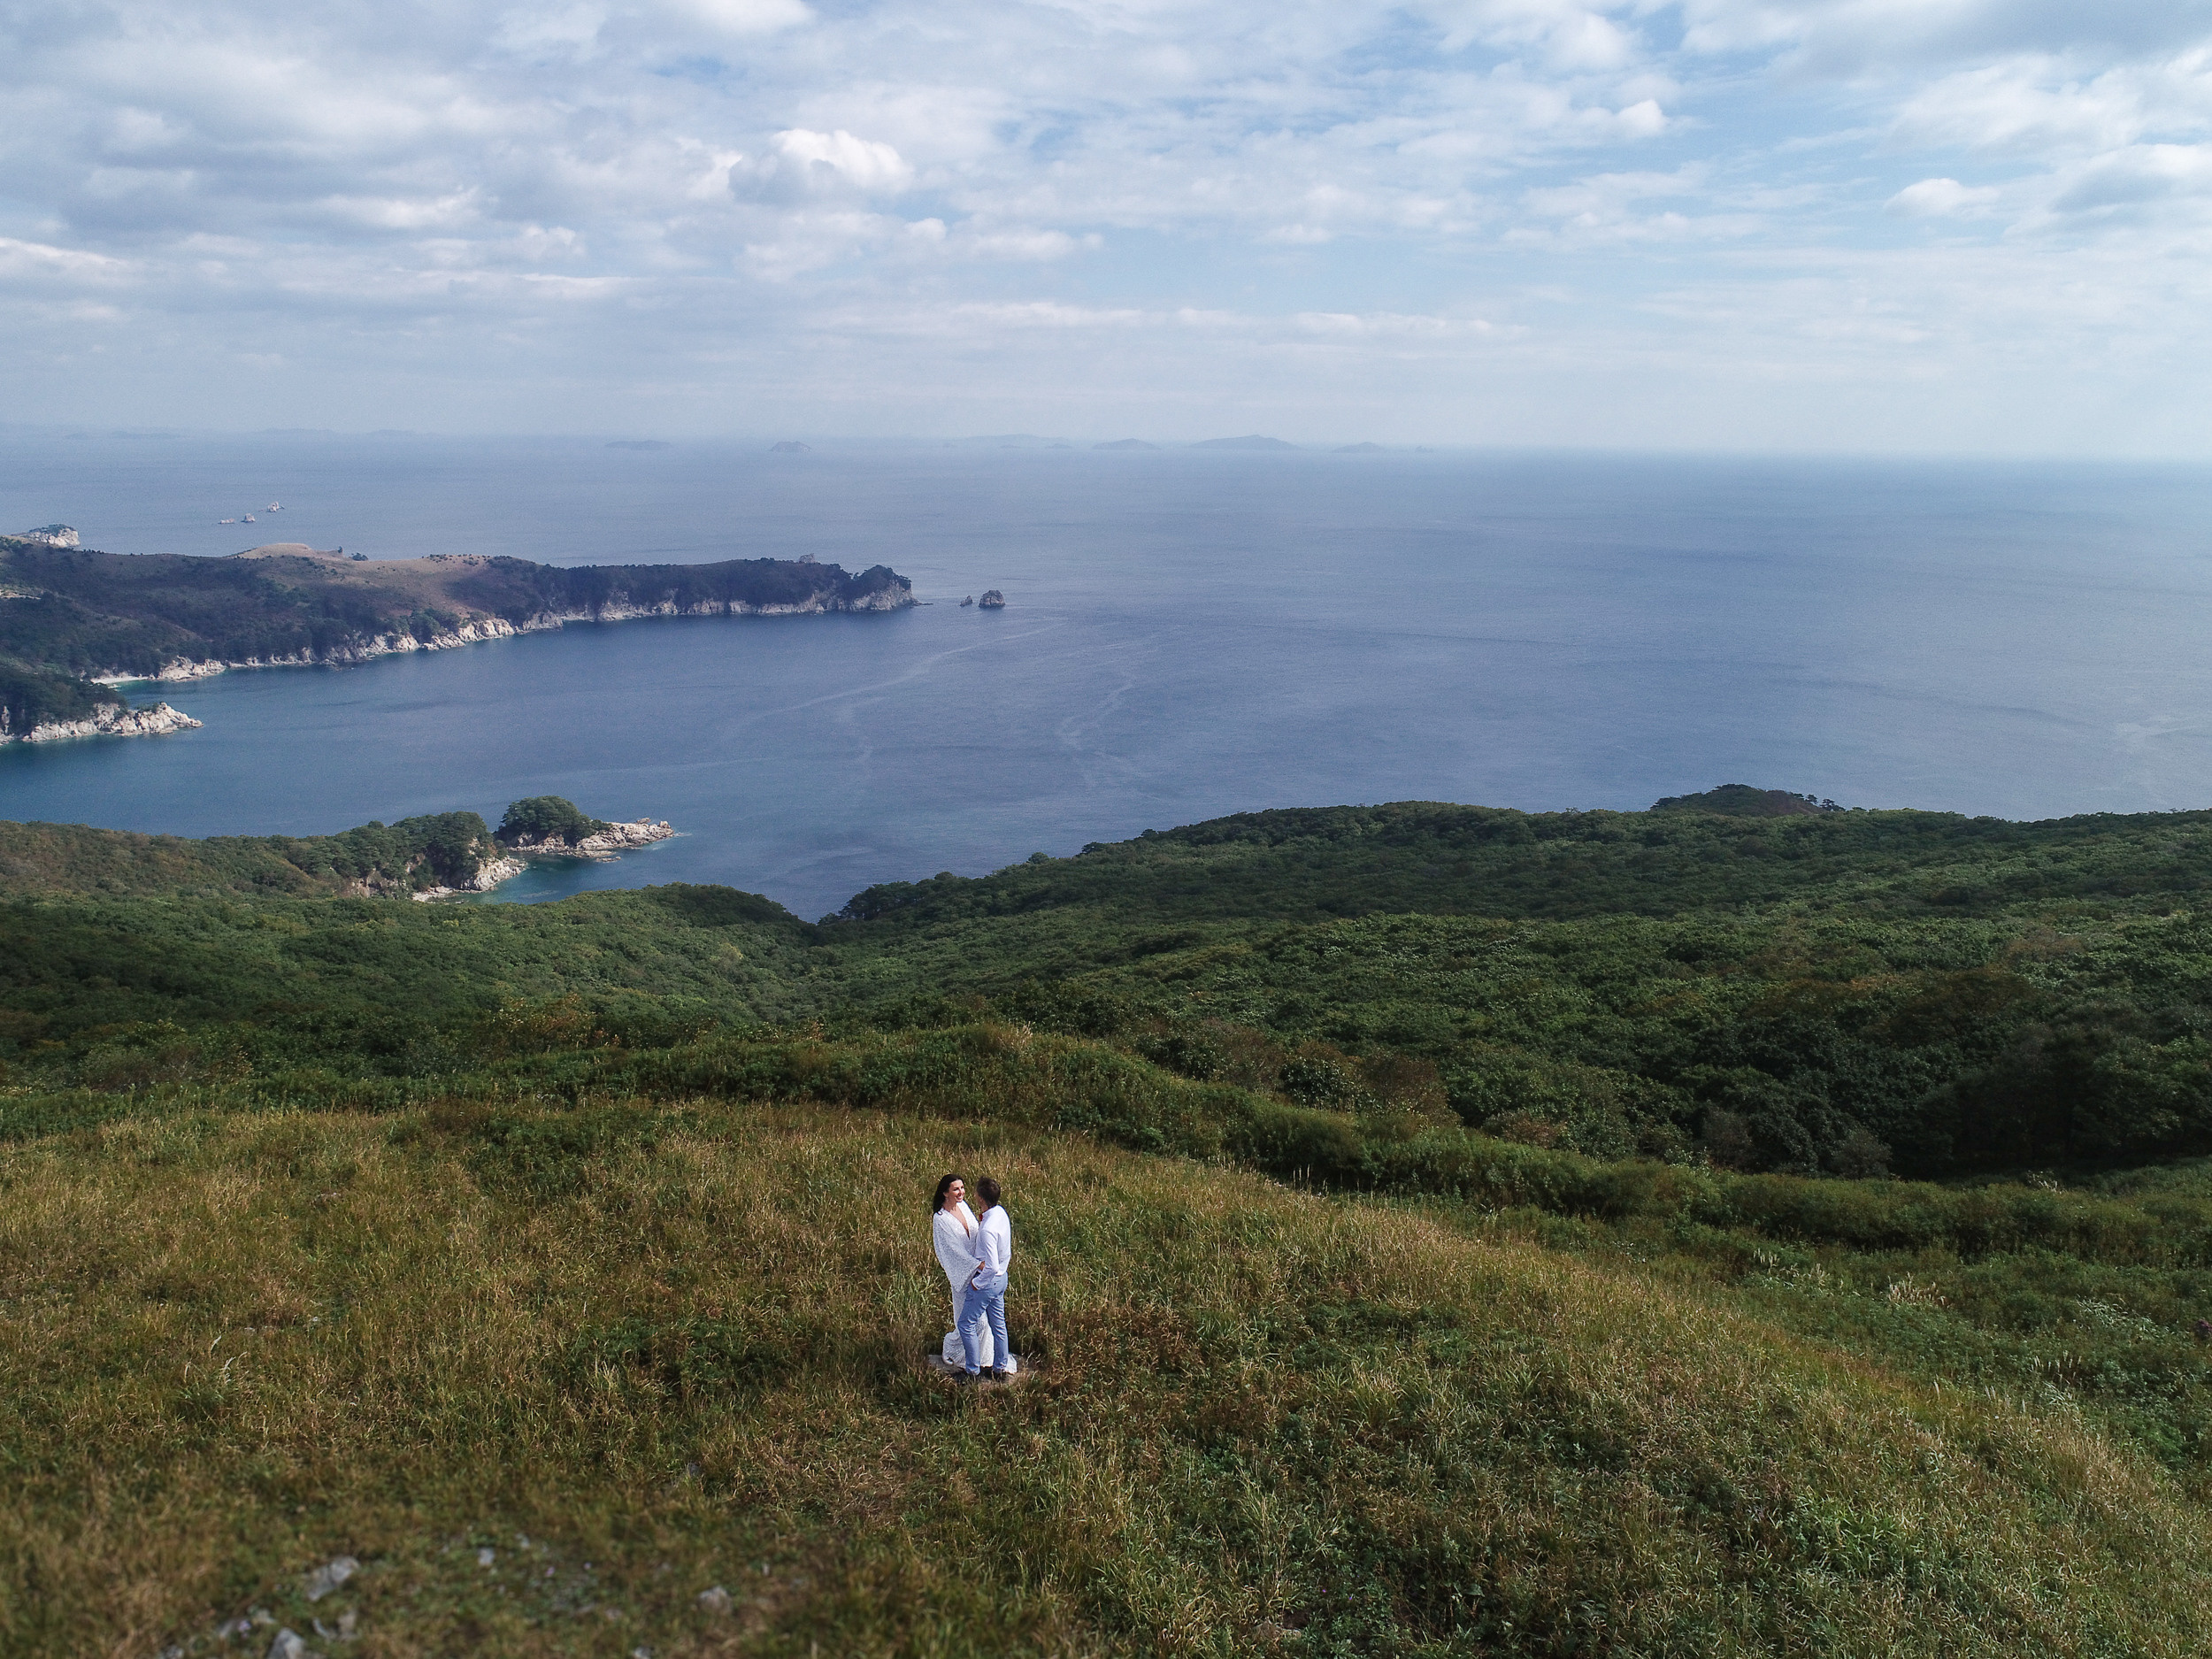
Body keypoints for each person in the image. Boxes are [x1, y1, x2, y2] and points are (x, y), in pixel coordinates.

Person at [958, 1176, 1014, 1382]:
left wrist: (977, 1283)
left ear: (980, 1198)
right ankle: (999, 1369)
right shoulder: (1001, 1213)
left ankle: (972, 1372)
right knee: (998, 1324)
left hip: (988, 1280)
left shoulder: (988, 1228)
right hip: (1001, 1279)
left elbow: (990, 1265)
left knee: (966, 1323)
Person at [930, 1173, 979, 1361]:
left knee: (983, 1321)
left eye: (962, 1188)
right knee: (970, 1321)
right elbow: (952, 1249)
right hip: (963, 1274)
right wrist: (975, 1265)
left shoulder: (964, 1207)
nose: (961, 1192)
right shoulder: (941, 1219)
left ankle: (984, 1360)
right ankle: (959, 1353)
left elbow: (975, 1232)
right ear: (945, 1193)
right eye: (956, 1189)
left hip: (979, 1273)